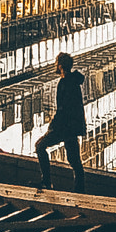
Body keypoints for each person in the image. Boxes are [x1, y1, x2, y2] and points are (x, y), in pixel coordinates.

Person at [36, 53, 87, 192]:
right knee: (75, 161)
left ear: (60, 66)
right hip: (71, 128)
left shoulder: (65, 83)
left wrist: (53, 126)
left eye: (56, 62)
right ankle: (80, 190)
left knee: (40, 146)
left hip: (64, 128)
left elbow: (63, 109)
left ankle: (46, 181)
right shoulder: (73, 82)